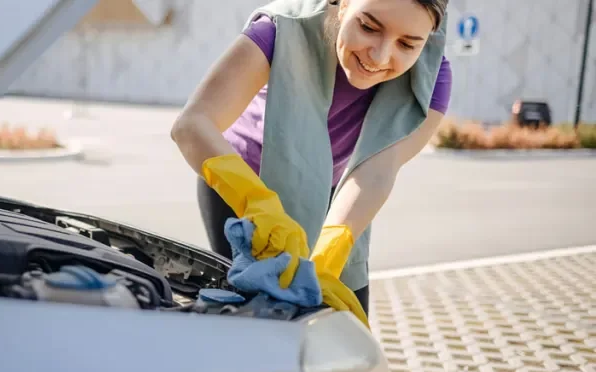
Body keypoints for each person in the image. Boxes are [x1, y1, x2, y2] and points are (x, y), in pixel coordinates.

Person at [171, 0, 451, 319]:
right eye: (369, 27)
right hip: (242, 184)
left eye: (407, 44)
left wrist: (330, 251)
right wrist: (256, 202)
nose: (380, 56)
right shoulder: (281, 29)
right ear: (343, 4)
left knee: (336, 319)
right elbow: (192, 124)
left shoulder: (431, 77)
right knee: (253, 315)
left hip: (335, 195)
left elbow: (375, 170)